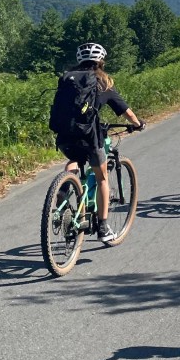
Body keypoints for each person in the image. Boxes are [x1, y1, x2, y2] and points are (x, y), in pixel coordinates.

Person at [56, 42, 144, 243]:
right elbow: (126, 111)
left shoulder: (67, 79)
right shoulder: (103, 83)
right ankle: (103, 228)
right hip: (90, 137)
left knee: (74, 160)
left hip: (65, 136)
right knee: (102, 178)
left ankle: (63, 188)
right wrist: (138, 124)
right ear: (100, 61)